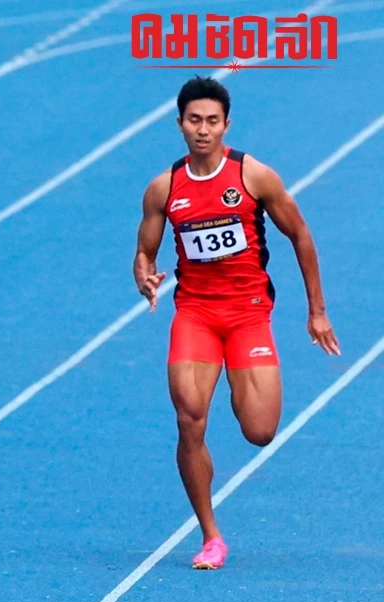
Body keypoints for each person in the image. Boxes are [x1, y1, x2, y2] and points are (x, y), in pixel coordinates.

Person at [133, 77, 340, 571]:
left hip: (247, 315)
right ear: (179, 124)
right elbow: (144, 250)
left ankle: (236, 380)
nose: (202, 130)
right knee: (188, 418)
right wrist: (144, 275)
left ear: (226, 124)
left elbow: (301, 235)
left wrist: (317, 310)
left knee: (260, 431)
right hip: (196, 315)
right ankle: (210, 536)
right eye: (193, 120)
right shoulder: (164, 187)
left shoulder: (254, 177)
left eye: (212, 121)